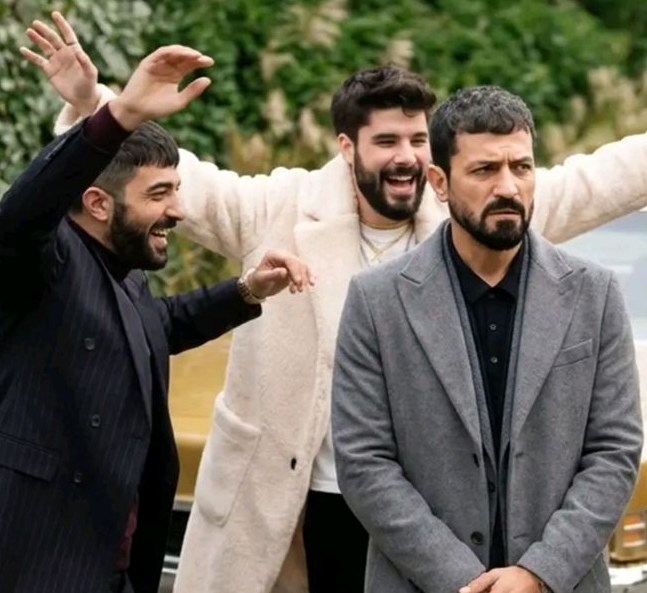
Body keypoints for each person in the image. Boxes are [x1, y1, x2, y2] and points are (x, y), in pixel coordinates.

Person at [27, 12, 647, 593]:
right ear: (348, 148)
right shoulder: (278, 207)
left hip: (427, 516)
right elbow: (174, 180)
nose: (406, 155)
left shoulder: (471, 204)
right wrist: (94, 105)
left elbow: (600, 179)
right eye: (387, 140)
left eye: (418, 139)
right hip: (294, 506)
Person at [1, 43, 311, 593]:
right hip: (42, 561)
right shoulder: (44, 259)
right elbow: (22, 214)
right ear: (98, 203)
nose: (178, 211)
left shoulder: (123, 268)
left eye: (177, 190)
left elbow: (154, 327)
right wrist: (116, 113)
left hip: (115, 567)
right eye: (160, 193)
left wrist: (246, 289)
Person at [332, 85, 643, 593]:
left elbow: (615, 450)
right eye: (484, 170)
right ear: (439, 182)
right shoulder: (376, 300)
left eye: (521, 167)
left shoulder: (595, 293)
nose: (508, 187)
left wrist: (540, 572)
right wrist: (461, 579)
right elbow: (364, 462)